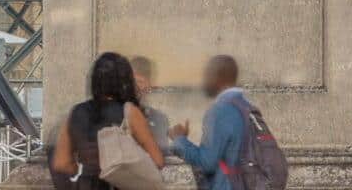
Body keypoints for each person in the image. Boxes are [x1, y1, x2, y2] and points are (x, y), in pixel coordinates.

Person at [50, 51, 163, 190]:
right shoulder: (130, 112)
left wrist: (85, 170)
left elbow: (61, 162)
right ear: (125, 81)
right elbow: (157, 160)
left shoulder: (76, 112)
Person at [168, 56, 252, 190]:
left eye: (207, 75)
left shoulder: (220, 111)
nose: (204, 81)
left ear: (218, 77)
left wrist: (179, 140)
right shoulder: (247, 107)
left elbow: (206, 163)